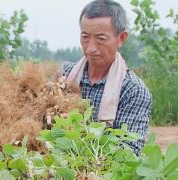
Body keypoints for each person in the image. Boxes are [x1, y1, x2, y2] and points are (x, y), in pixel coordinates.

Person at [61, 0, 152, 155]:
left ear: (121, 38)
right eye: (85, 37)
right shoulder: (64, 76)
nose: (90, 48)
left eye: (101, 39)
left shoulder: (133, 90)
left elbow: (129, 153)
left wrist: (80, 133)